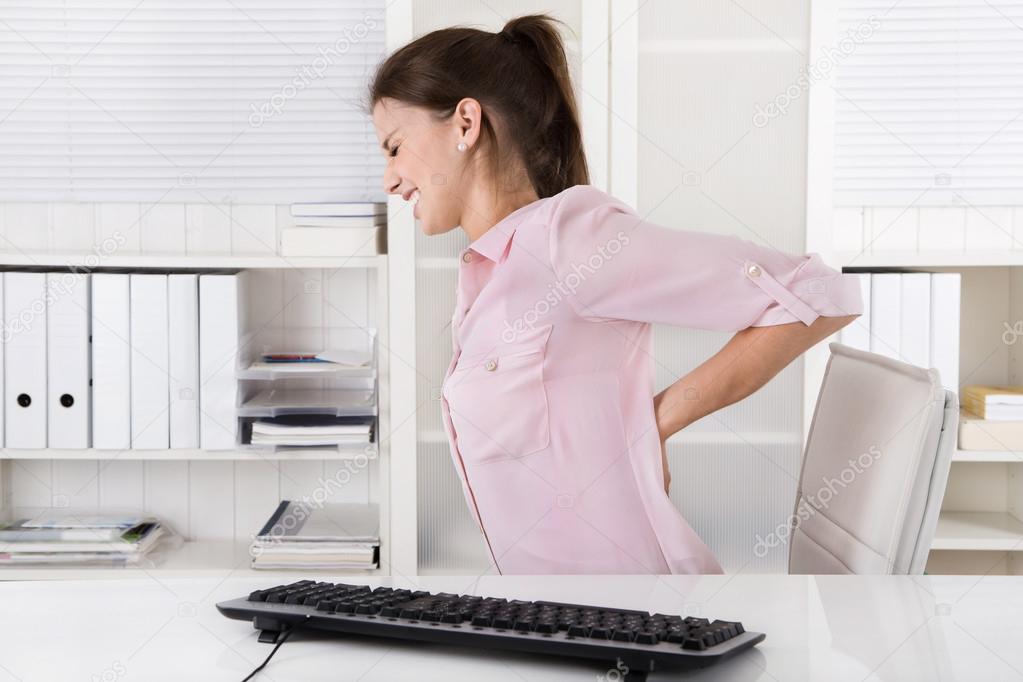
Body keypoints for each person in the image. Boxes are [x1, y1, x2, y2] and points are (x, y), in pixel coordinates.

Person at [367, 14, 862, 574]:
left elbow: (820, 294)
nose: (388, 179)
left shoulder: (570, 238)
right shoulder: (488, 273)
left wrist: (656, 422)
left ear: (465, 123)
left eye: (394, 147)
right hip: (556, 623)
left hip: (638, 622)